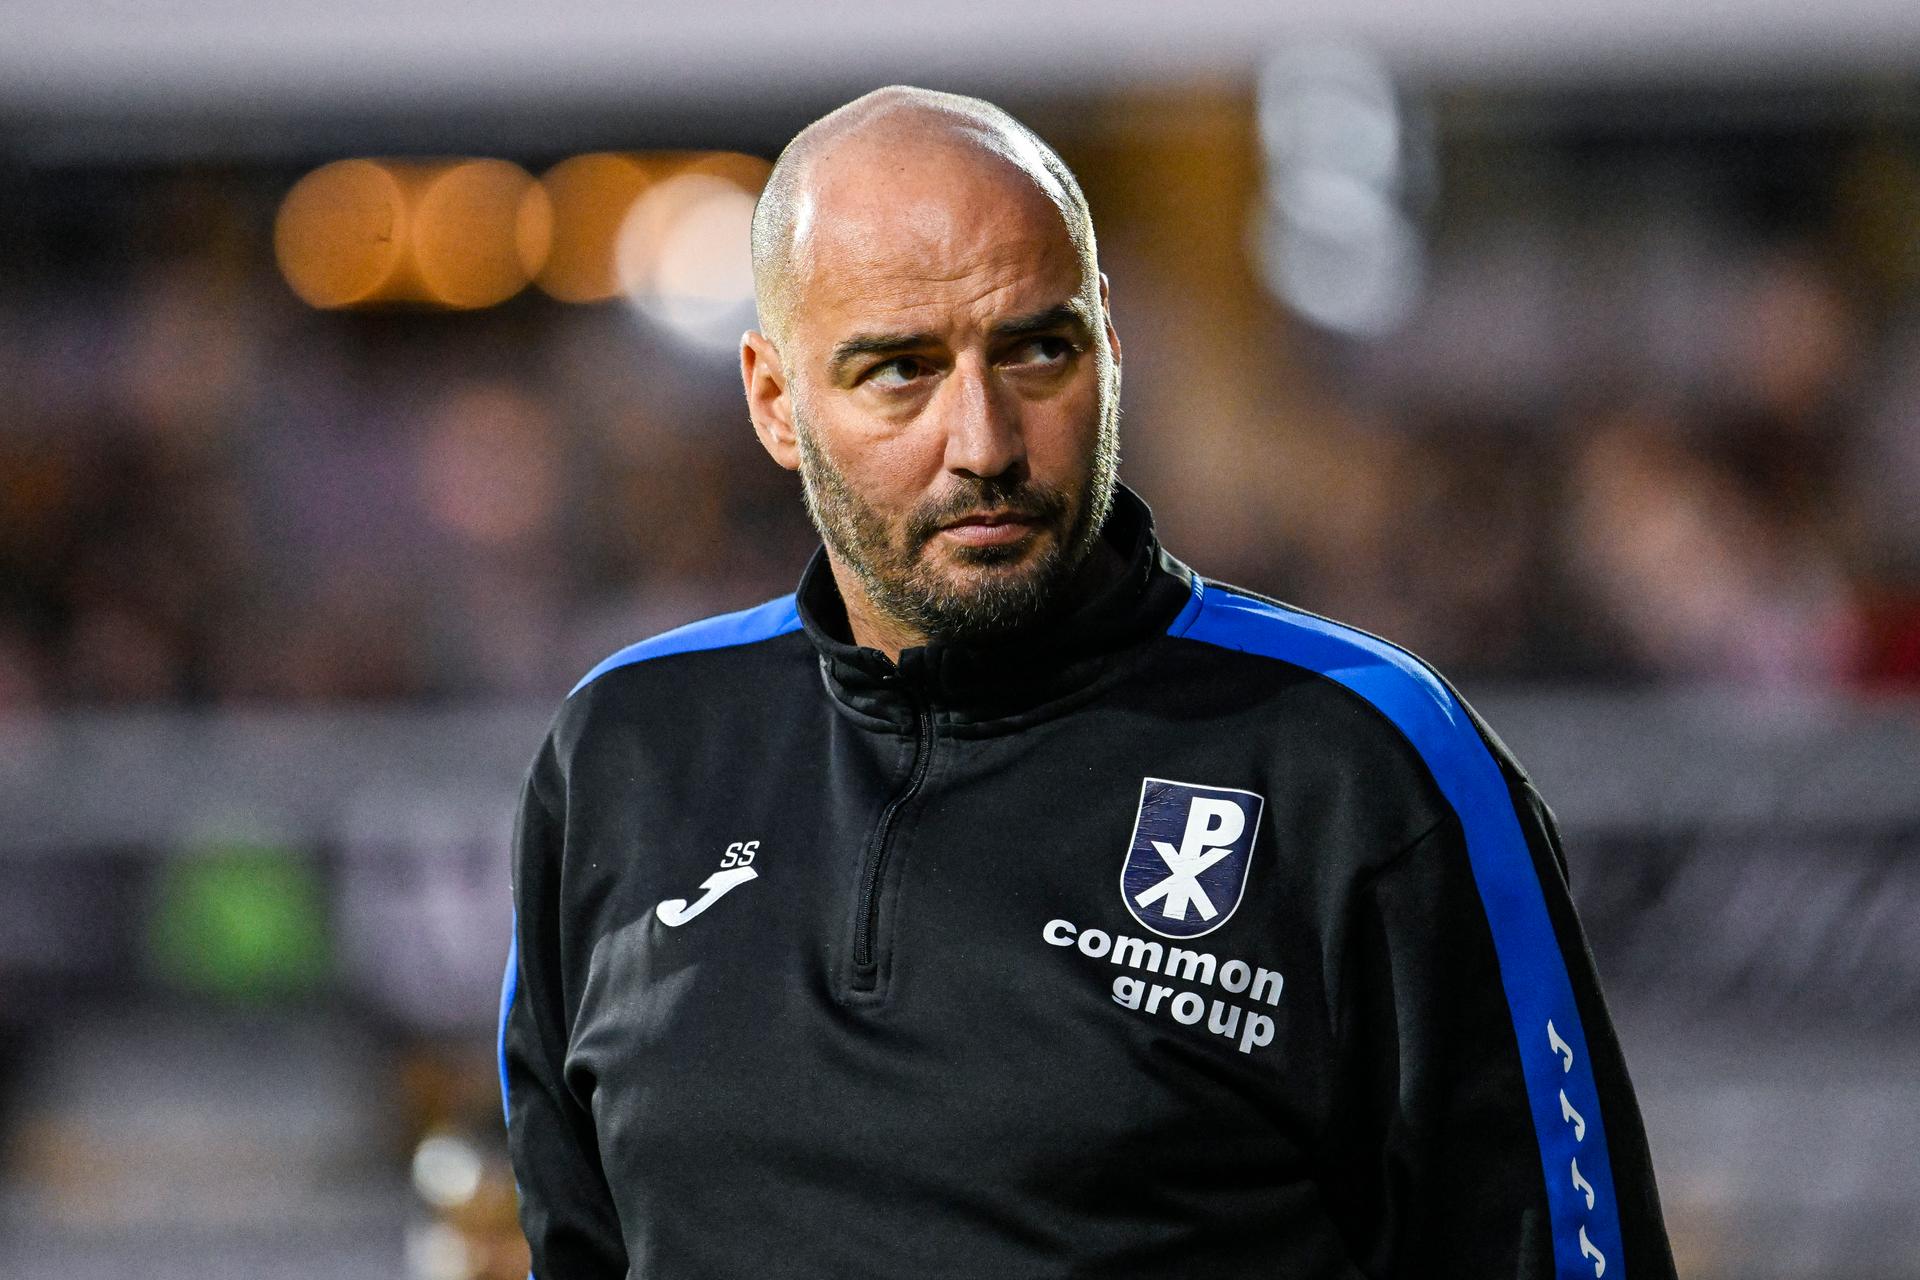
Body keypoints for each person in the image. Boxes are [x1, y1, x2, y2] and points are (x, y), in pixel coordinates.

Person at [499, 85, 1676, 1279]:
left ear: (1109, 345)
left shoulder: (1366, 761)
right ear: (774, 401)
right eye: (901, 371)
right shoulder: (628, 749)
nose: (985, 442)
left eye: (1037, 350)